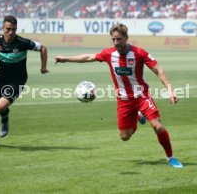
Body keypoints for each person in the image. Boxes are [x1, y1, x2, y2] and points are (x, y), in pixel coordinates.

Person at [55, 23, 183, 168]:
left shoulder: (139, 53)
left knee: (158, 126)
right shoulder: (109, 54)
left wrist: (170, 90)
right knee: (124, 137)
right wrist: (66, 58)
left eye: (119, 39)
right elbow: (89, 57)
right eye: (113, 39)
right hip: (124, 100)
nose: (116, 42)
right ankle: (138, 116)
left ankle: (170, 157)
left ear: (126, 38)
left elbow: (158, 70)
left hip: (142, 96)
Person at [0, 15, 49, 148]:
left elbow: (43, 48)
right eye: (8, 29)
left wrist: (43, 67)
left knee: (0, 107)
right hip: (0, 78)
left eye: (14, 29)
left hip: (17, 80)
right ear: (3, 28)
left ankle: (5, 117)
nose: (11, 32)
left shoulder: (22, 42)